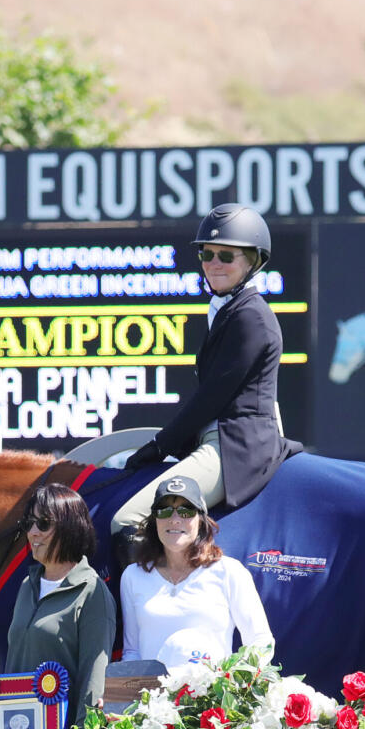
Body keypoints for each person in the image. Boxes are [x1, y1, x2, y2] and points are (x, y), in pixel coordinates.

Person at [113, 204, 302, 532]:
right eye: (207, 254)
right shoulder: (228, 310)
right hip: (215, 439)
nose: (214, 264)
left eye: (226, 256)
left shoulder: (252, 318)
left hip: (234, 448)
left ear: (253, 261)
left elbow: (212, 398)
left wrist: (161, 445)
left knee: (126, 520)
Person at [0, 483, 115, 729]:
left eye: (43, 524)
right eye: (30, 524)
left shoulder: (93, 591)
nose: (32, 533)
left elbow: (94, 677)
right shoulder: (25, 586)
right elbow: (15, 663)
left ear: (69, 526)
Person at [119, 475, 272, 668]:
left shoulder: (229, 571)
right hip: (152, 697)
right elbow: (132, 651)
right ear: (155, 520)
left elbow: (260, 640)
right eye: (164, 511)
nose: (174, 520)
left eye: (185, 511)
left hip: (210, 697)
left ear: (200, 519)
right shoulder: (133, 576)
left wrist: (232, 685)